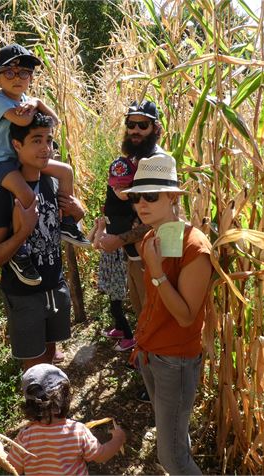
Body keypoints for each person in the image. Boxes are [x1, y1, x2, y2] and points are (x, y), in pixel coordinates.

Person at [124, 152, 213, 475]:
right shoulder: (151, 238)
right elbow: (155, 304)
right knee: (174, 439)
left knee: (172, 458)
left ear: (173, 196)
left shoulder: (194, 248)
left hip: (175, 360)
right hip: (150, 353)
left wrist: (158, 271)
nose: (141, 205)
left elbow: (186, 317)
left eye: (151, 196)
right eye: (137, 198)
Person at [0, 43, 89, 286]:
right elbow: (24, 120)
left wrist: (38, 100)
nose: (17, 78)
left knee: (65, 172)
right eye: (9, 73)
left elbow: (54, 120)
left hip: (21, 159)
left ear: (30, 77)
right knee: (27, 195)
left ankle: (67, 223)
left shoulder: (26, 99)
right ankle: (19, 254)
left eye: (24, 73)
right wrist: (34, 106)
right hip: (0, 162)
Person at [0, 113, 84, 369]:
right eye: (36, 140)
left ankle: (55, 410)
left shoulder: (52, 182)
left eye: (49, 140)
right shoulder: (4, 195)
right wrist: (22, 231)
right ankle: (41, 410)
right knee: (36, 371)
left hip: (55, 287)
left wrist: (78, 214)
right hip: (24, 296)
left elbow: (64, 230)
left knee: (50, 359)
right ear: (17, 145)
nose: (46, 148)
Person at [97, 99, 166, 400]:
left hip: (156, 252)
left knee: (156, 313)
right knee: (142, 311)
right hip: (135, 252)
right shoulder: (134, 160)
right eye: (131, 124)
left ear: (155, 128)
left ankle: (159, 383)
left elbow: (156, 219)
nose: (135, 130)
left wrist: (119, 239)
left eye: (143, 125)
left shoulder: (158, 162)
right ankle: (148, 373)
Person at [7, 364, 126, 475]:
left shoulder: (25, 436)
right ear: (66, 399)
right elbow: (101, 455)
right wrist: (118, 439)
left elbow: (15, 468)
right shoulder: (78, 431)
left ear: (29, 405)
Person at [94, 157, 138, 352]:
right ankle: (121, 329)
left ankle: (131, 337)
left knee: (119, 303)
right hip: (115, 258)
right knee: (115, 301)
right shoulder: (111, 202)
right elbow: (95, 241)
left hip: (129, 258)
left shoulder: (139, 204)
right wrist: (100, 229)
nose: (118, 190)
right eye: (114, 186)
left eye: (124, 185)